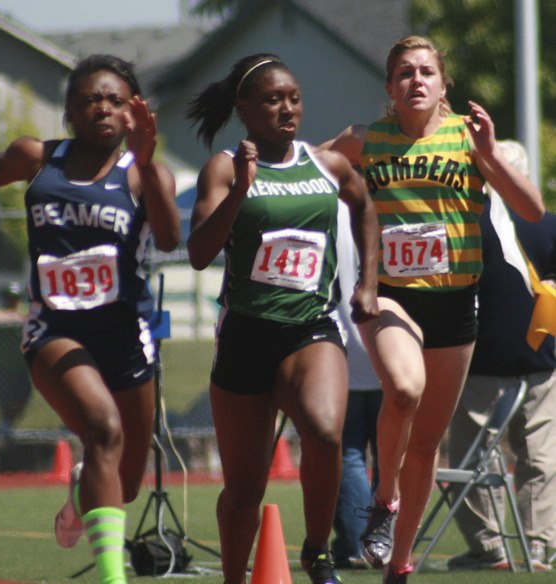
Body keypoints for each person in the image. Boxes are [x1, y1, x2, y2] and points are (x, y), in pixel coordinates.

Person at [0, 54, 180, 584]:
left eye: (115, 100)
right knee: (102, 428)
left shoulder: (143, 174)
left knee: (125, 481)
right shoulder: (36, 158)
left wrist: (150, 159)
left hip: (127, 334)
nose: (103, 108)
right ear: (69, 111)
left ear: (133, 111)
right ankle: (113, 579)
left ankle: (80, 489)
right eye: (91, 99)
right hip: (56, 332)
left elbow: (171, 238)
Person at [321, 35, 545, 584]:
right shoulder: (363, 140)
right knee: (403, 389)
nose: (415, 80)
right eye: (403, 72)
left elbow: (532, 210)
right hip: (391, 295)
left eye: (426, 72)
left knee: (425, 448)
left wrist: (489, 154)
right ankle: (384, 496)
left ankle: (399, 563)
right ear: (389, 86)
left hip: (453, 302)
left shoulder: (467, 140)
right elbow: (302, 172)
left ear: (444, 85)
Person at [185, 53, 380, 584]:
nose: (287, 108)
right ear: (244, 108)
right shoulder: (225, 168)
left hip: (310, 326)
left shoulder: (326, 165)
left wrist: (367, 283)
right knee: (245, 489)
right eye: (273, 100)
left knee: (323, 430)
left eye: (293, 98)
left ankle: (318, 550)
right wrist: (242, 190)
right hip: (247, 332)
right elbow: (199, 252)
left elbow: (365, 206)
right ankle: (234, 576)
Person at [447, 140, 556, 572]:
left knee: (473, 456)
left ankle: (489, 547)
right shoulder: (548, 225)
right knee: (541, 457)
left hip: (479, 359)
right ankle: (538, 546)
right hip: (541, 357)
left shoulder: (468, 223)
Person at [332, 200, 382, 570]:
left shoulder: (326, 203)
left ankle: (354, 544)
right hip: (387, 349)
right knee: (389, 457)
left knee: (347, 453)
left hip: (340, 350)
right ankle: (383, 543)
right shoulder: (389, 199)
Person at [0, 281, 32, 435]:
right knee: (3, 398)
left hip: (21, 365)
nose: (12, 301)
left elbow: (31, 317)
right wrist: (16, 318)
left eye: (15, 297)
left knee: (22, 396)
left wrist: (17, 317)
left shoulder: (25, 309)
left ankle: (9, 422)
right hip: (1, 365)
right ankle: (5, 424)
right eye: (9, 297)